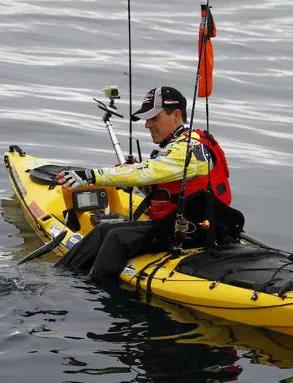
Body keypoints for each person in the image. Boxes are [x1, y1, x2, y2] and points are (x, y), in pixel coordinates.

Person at [55, 86, 232, 278]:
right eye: (147, 119)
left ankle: (91, 288)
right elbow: (159, 183)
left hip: (195, 231)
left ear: (177, 114)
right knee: (103, 229)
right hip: (176, 225)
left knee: (116, 237)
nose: (147, 124)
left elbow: (146, 172)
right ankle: (61, 274)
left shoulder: (191, 148)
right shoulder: (177, 145)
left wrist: (90, 176)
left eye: (154, 118)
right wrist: (137, 181)